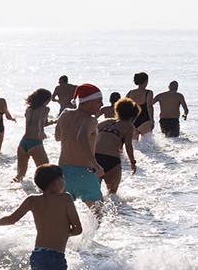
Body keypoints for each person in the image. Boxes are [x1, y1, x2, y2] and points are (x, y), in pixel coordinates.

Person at [0, 165, 84, 270]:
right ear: (57, 182)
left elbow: (12, 219)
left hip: (37, 256)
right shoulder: (65, 198)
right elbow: (78, 229)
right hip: (54, 258)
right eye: (62, 178)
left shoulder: (32, 200)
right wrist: (62, 233)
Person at [53, 82, 104, 210]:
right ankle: (97, 231)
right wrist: (96, 165)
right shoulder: (91, 120)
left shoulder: (64, 114)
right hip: (84, 173)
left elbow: (57, 137)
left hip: (63, 173)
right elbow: (81, 138)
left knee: (62, 214)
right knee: (98, 214)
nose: (102, 105)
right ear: (88, 102)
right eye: (99, 101)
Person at [94, 97, 140, 196]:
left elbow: (91, 134)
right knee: (112, 194)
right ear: (133, 117)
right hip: (112, 160)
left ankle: (96, 211)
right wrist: (132, 162)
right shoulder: (129, 126)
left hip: (95, 159)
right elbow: (128, 146)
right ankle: (113, 211)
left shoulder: (105, 122)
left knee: (94, 192)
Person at [14, 88, 53, 181]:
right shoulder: (45, 109)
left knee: (20, 175)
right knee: (46, 172)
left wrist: (51, 123)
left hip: (23, 143)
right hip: (35, 143)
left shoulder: (28, 109)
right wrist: (41, 131)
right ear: (45, 100)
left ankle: (11, 191)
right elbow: (41, 120)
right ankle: (46, 194)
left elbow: (35, 122)